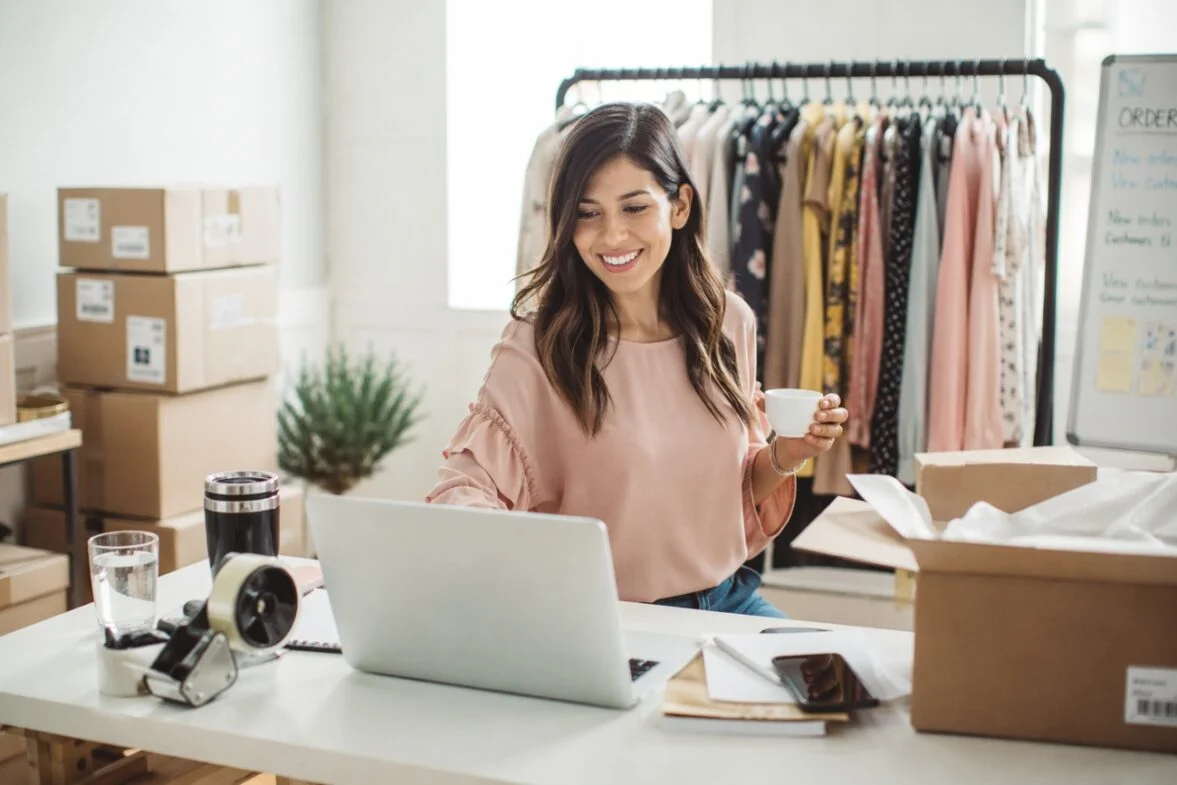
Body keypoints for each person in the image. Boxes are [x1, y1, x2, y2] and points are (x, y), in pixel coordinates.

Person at [426, 101, 849, 618]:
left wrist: (789, 452)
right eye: (588, 213)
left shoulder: (728, 322)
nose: (611, 236)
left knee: (836, 691)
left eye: (634, 208)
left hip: (731, 601)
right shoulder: (540, 343)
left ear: (680, 206)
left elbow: (730, 489)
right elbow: (463, 489)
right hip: (610, 619)